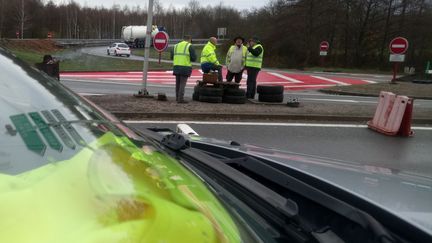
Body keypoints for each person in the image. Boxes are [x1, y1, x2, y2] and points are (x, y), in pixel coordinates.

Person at [171, 35, 196, 103]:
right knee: (182, 84)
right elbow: (194, 58)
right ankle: (180, 99)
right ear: (189, 39)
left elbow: (171, 57)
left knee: (177, 83)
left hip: (176, 66)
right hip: (185, 67)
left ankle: (177, 97)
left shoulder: (175, 46)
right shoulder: (190, 46)